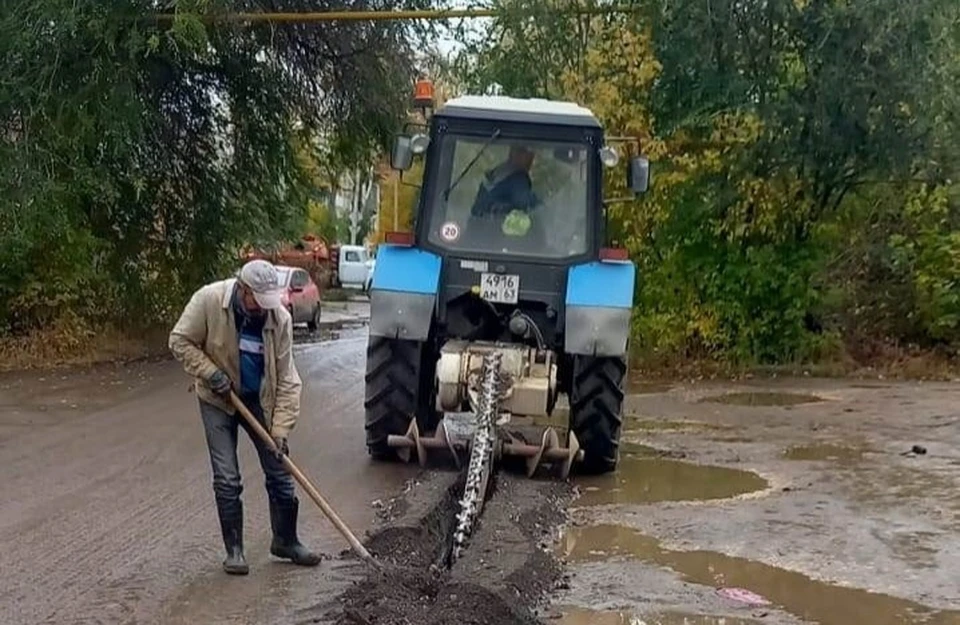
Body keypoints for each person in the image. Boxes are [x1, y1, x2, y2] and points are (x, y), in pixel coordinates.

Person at [169, 259, 321, 575]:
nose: (261, 308)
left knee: (280, 470)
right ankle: (234, 550)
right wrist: (211, 374)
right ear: (243, 289)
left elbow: (288, 380)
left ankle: (286, 541)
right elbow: (180, 340)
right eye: (256, 301)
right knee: (227, 476)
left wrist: (280, 431)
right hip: (218, 399)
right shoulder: (209, 300)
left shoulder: (279, 319)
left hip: (258, 402)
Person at [469, 144, 540, 219]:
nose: (532, 159)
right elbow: (526, 205)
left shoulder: (496, 174)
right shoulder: (519, 180)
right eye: (528, 153)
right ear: (514, 153)